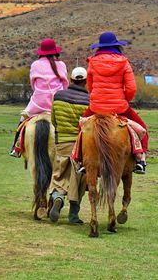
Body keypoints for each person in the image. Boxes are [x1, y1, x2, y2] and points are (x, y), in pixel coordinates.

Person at [81, 32, 148, 174]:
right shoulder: (124, 62)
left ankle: (81, 159)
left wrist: (97, 98)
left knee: (81, 127)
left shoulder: (92, 62)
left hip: (96, 107)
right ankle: (140, 159)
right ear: (116, 45)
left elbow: (90, 86)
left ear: (100, 47)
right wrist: (124, 100)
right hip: (120, 107)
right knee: (142, 128)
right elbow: (131, 88)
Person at [10, 38, 69, 157]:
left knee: (23, 119)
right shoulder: (61, 65)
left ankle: (15, 147)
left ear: (41, 52)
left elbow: (33, 84)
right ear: (55, 52)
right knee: (71, 121)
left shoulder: (35, 65)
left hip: (38, 102)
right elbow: (65, 84)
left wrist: (40, 93)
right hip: (57, 102)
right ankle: (73, 149)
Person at [49, 67, 89, 224]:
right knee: (79, 179)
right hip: (80, 146)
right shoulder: (89, 100)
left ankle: (58, 197)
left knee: (59, 174)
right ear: (85, 82)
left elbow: (53, 120)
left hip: (62, 143)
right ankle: (73, 216)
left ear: (70, 80)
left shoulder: (58, 96)